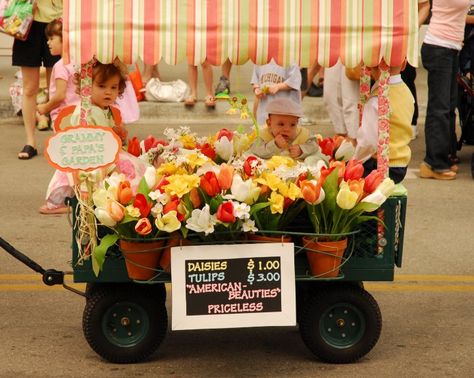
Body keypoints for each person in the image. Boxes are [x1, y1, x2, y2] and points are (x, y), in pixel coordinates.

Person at [39, 61, 129, 214]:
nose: (108, 92)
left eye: (113, 87)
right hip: (90, 160)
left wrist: (118, 132)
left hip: (101, 155)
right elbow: (103, 140)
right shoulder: (89, 111)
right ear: (86, 86)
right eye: (102, 86)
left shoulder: (104, 109)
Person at [420, 0, 471, 180]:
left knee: (449, 108)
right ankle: (433, 163)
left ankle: (443, 158)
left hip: (451, 47)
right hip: (438, 47)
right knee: (439, 109)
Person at [13, 0, 63, 159]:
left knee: (56, 86)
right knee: (29, 88)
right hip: (27, 19)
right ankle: (30, 142)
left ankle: (61, 139)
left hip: (58, 22)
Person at [353, 62, 414, 184]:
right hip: (401, 163)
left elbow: (368, 143)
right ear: (403, 65)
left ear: (370, 66)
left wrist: (354, 161)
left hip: (382, 166)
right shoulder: (407, 92)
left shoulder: (377, 100)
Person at [36, 19, 80, 127]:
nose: (48, 42)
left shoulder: (61, 66)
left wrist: (45, 107)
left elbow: (60, 95)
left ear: (65, 40)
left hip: (64, 116)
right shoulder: (78, 62)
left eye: (51, 38)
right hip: (79, 113)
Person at [249, 97, 322, 160]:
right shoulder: (263, 135)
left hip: (296, 170)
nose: (287, 129)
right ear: (269, 123)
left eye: (292, 125)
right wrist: (274, 145)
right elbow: (255, 149)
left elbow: (314, 144)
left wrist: (302, 150)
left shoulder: (302, 134)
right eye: (281, 124)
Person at [401, 0, 431, 140]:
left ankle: (411, 122)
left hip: (404, 37)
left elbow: (425, 5)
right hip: (379, 35)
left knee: (406, 78)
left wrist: (413, 27)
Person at [251, 58, 302, 125]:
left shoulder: (289, 59)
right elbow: (255, 80)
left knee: (283, 131)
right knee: (265, 131)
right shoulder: (260, 59)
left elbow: (295, 81)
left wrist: (278, 86)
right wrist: (257, 88)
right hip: (265, 108)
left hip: (285, 110)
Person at [323, 59, 359, 142]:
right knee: (330, 96)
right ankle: (341, 135)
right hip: (333, 48)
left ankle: (353, 138)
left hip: (354, 48)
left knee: (350, 97)